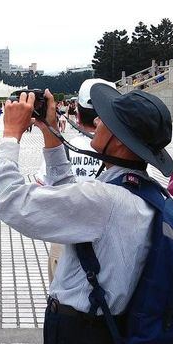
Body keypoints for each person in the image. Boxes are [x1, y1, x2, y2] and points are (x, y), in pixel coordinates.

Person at [0, 87, 173, 344]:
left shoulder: (105, 199)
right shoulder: (138, 188)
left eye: (106, 120)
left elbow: (7, 199)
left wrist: (11, 134)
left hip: (82, 337)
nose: (97, 121)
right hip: (107, 329)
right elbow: (70, 195)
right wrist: (50, 131)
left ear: (121, 142)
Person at [37, 78, 114, 283]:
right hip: (111, 242)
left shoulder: (62, 147)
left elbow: (43, 189)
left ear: (77, 113)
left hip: (65, 239)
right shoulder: (125, 152)